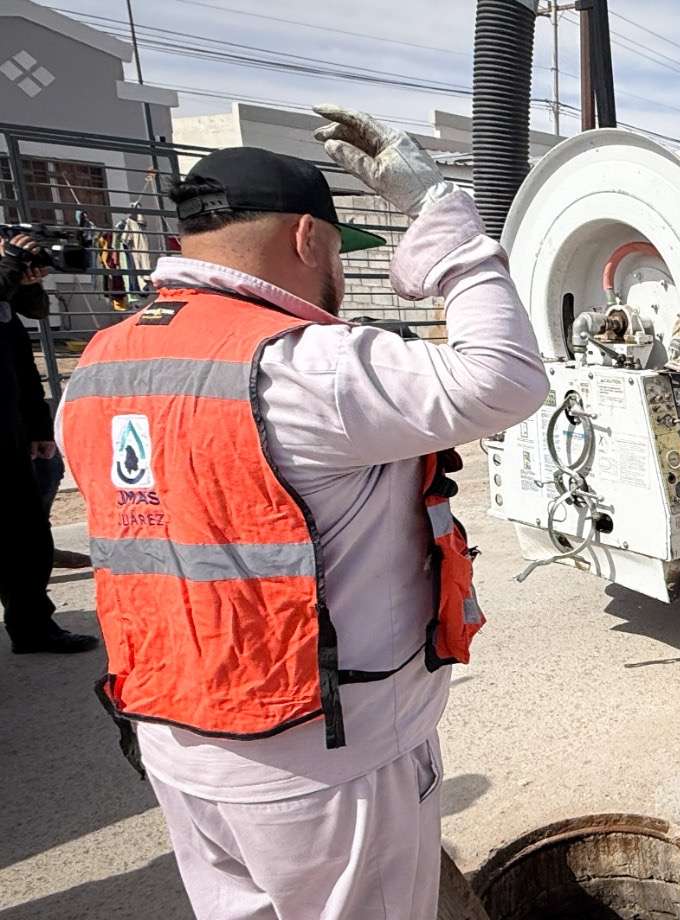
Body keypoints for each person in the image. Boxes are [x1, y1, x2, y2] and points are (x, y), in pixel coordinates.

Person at [57, 107, 548, 918]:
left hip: (176, 745)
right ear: (306, 240)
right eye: (338, 256)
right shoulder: (305, 367)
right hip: (324, 759)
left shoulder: (98, 368)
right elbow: (506, 377)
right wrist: (443, 220)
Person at [1, 233, 99, 654]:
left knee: (27, 538)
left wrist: (39, 427)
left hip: (10, 429)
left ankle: (33, 629)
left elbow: (25, 339)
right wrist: (8, 265)